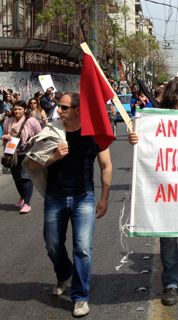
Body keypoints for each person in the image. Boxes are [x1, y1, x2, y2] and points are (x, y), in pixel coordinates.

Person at [26, 92, 112, 317]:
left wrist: (104, 197)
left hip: (84, 198)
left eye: (64, 107)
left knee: (83, 248)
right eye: (59, 107)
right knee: (53, 245)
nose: (59, 111)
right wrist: (54, 157)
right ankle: (65, 274)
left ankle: (80, 297)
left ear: (78, 110)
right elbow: (32, 165)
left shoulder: (93, 133)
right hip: (55, 198)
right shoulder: (52, 131)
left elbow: (106, 166)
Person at [128, 78, 178, 306]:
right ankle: (170, 283)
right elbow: (148, 145)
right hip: (167, 189)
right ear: (174, 96)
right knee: (169, 237)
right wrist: (136, 139)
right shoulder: (156, 120)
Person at [2, 100, 42, 213]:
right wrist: (6, 136)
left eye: (19, 109)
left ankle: (27, 203)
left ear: (25, 110)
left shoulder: (31, 121)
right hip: (13, 153)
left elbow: (40, 135)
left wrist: (31, 140)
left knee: (25, 177)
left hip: (27, 152)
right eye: (15, 109)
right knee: (17, 178)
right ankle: (22, 197)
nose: (17, 111)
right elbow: (4, 134)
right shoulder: (8, 122)